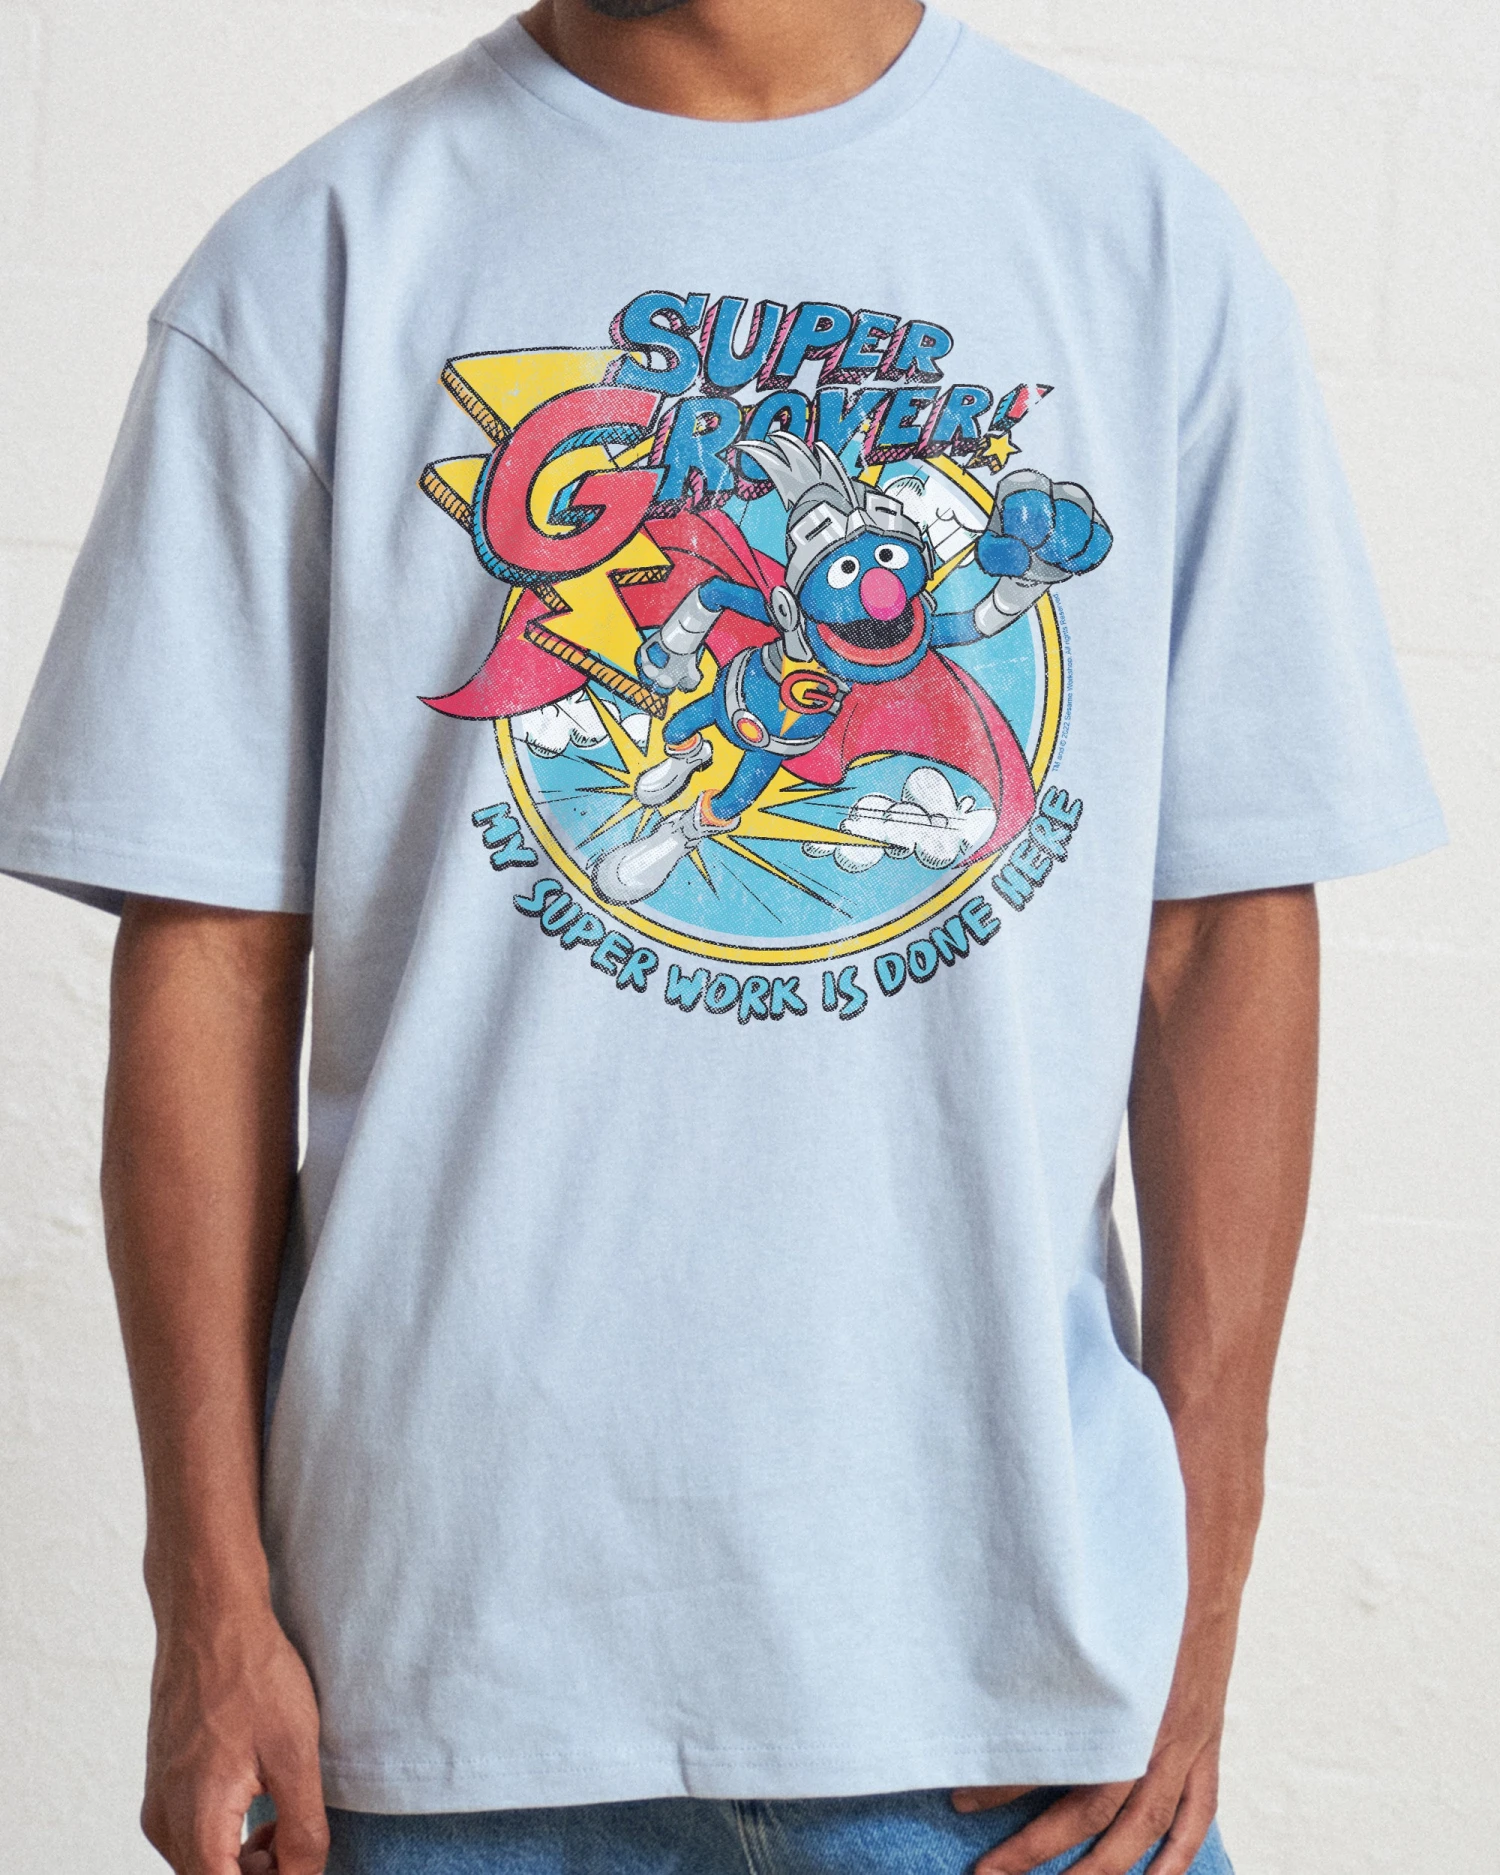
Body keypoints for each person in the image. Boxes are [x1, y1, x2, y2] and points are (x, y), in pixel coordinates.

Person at [0, 1, 1444, 1872]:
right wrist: (205, 1591)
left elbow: (1223, 929)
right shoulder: (314, 261)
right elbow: (207, 959)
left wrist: (1207, 1563)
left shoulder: (1140, 244)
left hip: (1009, 1711)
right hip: (433, 1705)